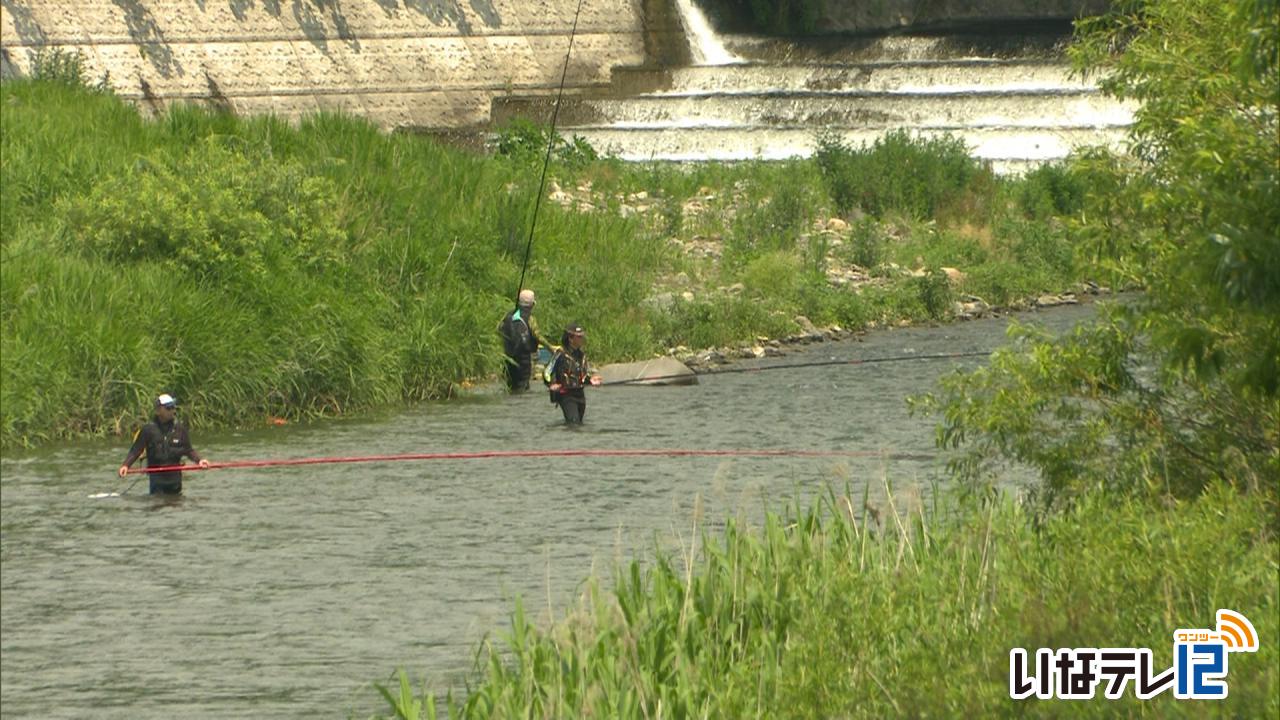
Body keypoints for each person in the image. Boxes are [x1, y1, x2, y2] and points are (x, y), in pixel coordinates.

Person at [118, 393, 210, 495]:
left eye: (173, 407)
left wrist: (200, 460)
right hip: (157, 480)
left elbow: (188, 450)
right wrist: (126, 465)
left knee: (175, 506)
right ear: (158, 410)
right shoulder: (148, 430)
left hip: (175, 480)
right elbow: (136, 450)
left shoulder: (180, 429)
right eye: (168, 408)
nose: (173, 411)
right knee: (158, 506)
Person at [545, 323, 601, 424]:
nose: (582, 339)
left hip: (580, 395)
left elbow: (582, 376)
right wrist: (551, 384)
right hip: (566, 395)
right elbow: (546, 372)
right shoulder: (560, 354)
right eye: (579, 337)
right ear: (570, 339)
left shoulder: (582, 355)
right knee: (573, 423)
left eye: (582, 336)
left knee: (579, 424)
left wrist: (590, 380)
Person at [497, 289, 547, 392]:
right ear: (532, 305)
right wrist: (551, 348)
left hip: (509, 358)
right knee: (523, 387)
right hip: (524, 360)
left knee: (511, 387)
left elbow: (498, 329)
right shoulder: (530, 318)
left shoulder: (508, 316)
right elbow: (538, 336)